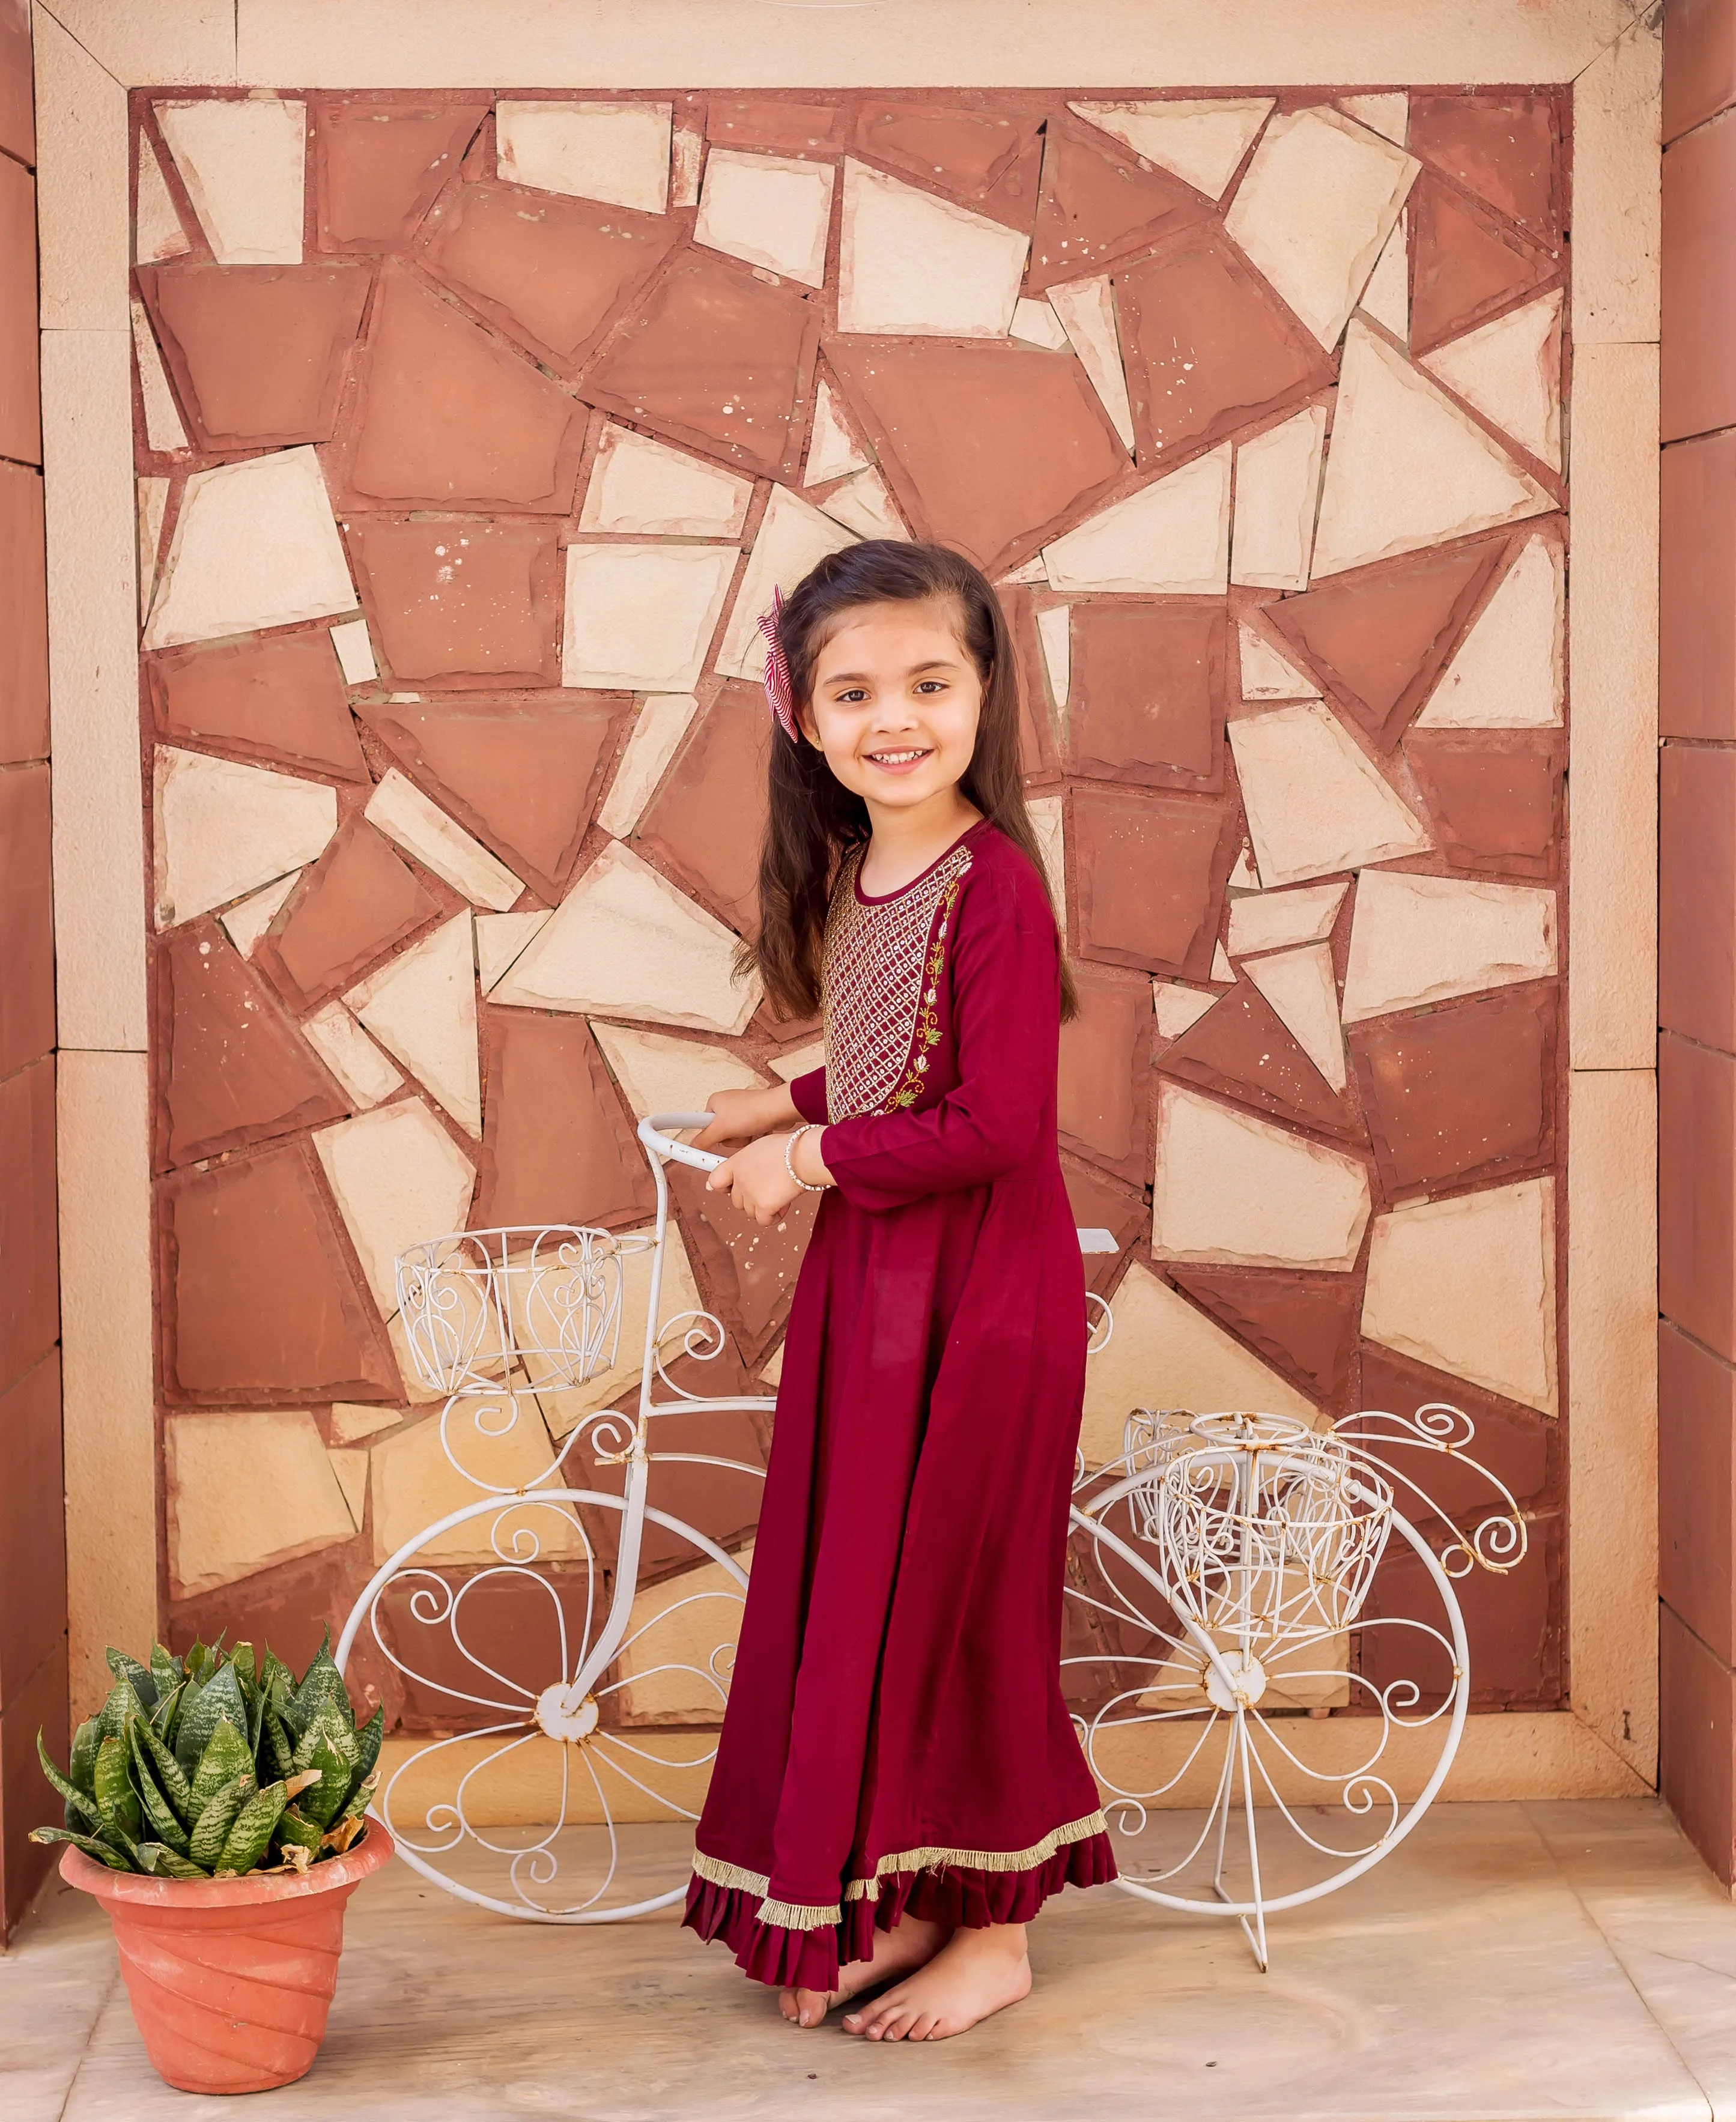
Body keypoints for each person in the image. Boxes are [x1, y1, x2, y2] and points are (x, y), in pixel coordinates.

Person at [681, 540, 1113, 2042]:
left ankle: (994, 1936)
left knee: (960, 1595)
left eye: (929, 683)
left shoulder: (993, 883)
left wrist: (800, 1157)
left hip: (977, 1296)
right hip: (883, 1283)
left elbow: (994, 1121)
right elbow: (899, 1058)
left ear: (985, 694)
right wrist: (778, 1097)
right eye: (853, 691)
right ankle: (921, 1892)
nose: (895, 719)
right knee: (876, 1585)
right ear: (801, 717)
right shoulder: (874, 865)